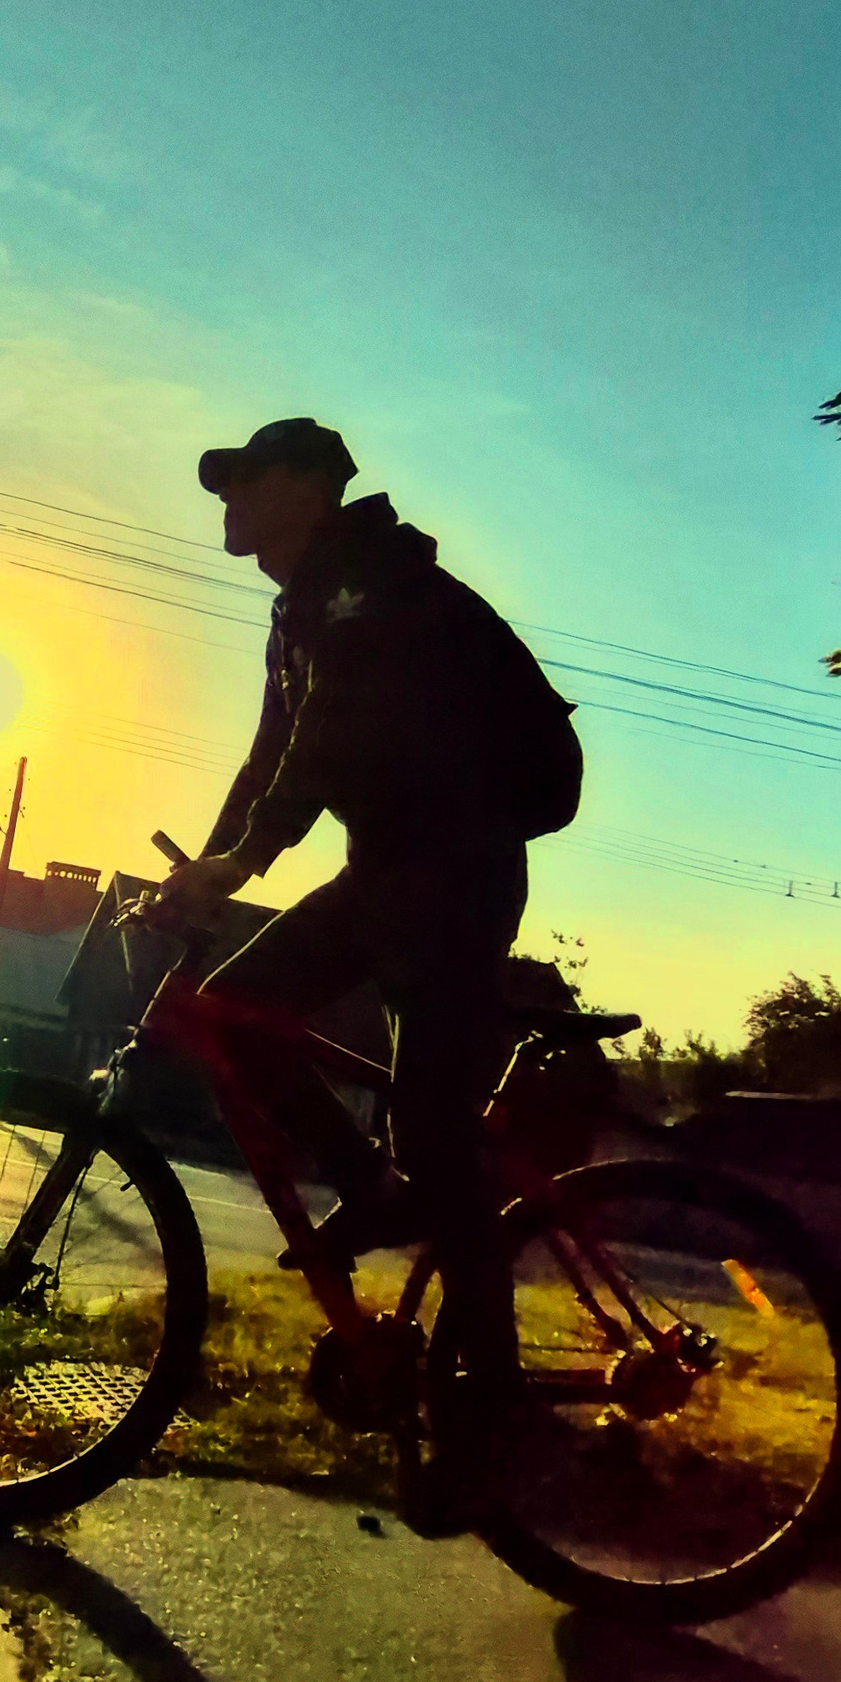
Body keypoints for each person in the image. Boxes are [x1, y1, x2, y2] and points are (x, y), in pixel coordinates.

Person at [147, 415, 581, 1511]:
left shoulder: (372, 585)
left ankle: (490, 1423)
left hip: (457, 874)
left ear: (308, 484)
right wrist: (211, 865)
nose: (227, 502)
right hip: (387, 872)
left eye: (244, 480)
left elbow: (327, 741)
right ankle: (374, 1185)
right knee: (234, 1006)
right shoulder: (297, 611)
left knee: (441, 1141)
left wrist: (245, 860)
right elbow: (271, 756)